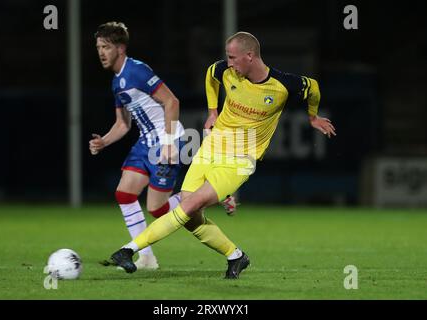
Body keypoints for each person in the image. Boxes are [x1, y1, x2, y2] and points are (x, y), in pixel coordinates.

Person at [109, 31, 336, 279]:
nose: (228, 63)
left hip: (240, 159)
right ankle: (235, 256)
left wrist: (313, 117)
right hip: (212, 147)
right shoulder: (225, 71)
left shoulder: (283, 85)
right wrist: (212, 111)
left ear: (249, 56)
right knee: (190, 216)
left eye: (232, 58)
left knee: (190, 205)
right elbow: (211, 74)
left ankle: (129, 250)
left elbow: (312, 87)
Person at [90, 22, 237, 270]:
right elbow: (123, 124)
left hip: (167, 141)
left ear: (121, 48)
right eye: (98, 47)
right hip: (144, 143)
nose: (101, 52)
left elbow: (172, 102)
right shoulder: (117, 82)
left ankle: (209, 194)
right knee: (124, 194)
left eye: (106, 46)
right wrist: (104, 141)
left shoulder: (137, 71)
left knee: (157, 210)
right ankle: (146, 257)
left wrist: (168, 143)